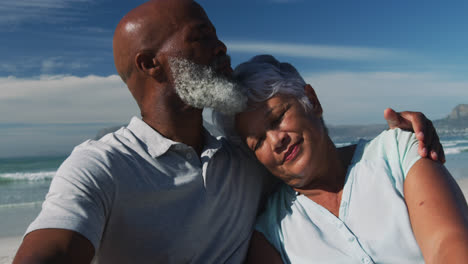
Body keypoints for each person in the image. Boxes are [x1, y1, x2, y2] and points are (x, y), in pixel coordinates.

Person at [13, 1, 444, 263]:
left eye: (217, 35)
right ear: (151, 65)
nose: (222, 48)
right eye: (201, 37)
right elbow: (53, 249)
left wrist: (401, 142)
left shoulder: (240, 158)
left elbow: (317, 160)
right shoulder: (101, 166)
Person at [232, 55, 468, 264]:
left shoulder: (397, 152)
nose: (275, 141)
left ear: (312, 101)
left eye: (277, 118)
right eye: (258, 142)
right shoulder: (272, 235)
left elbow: (446, 245)